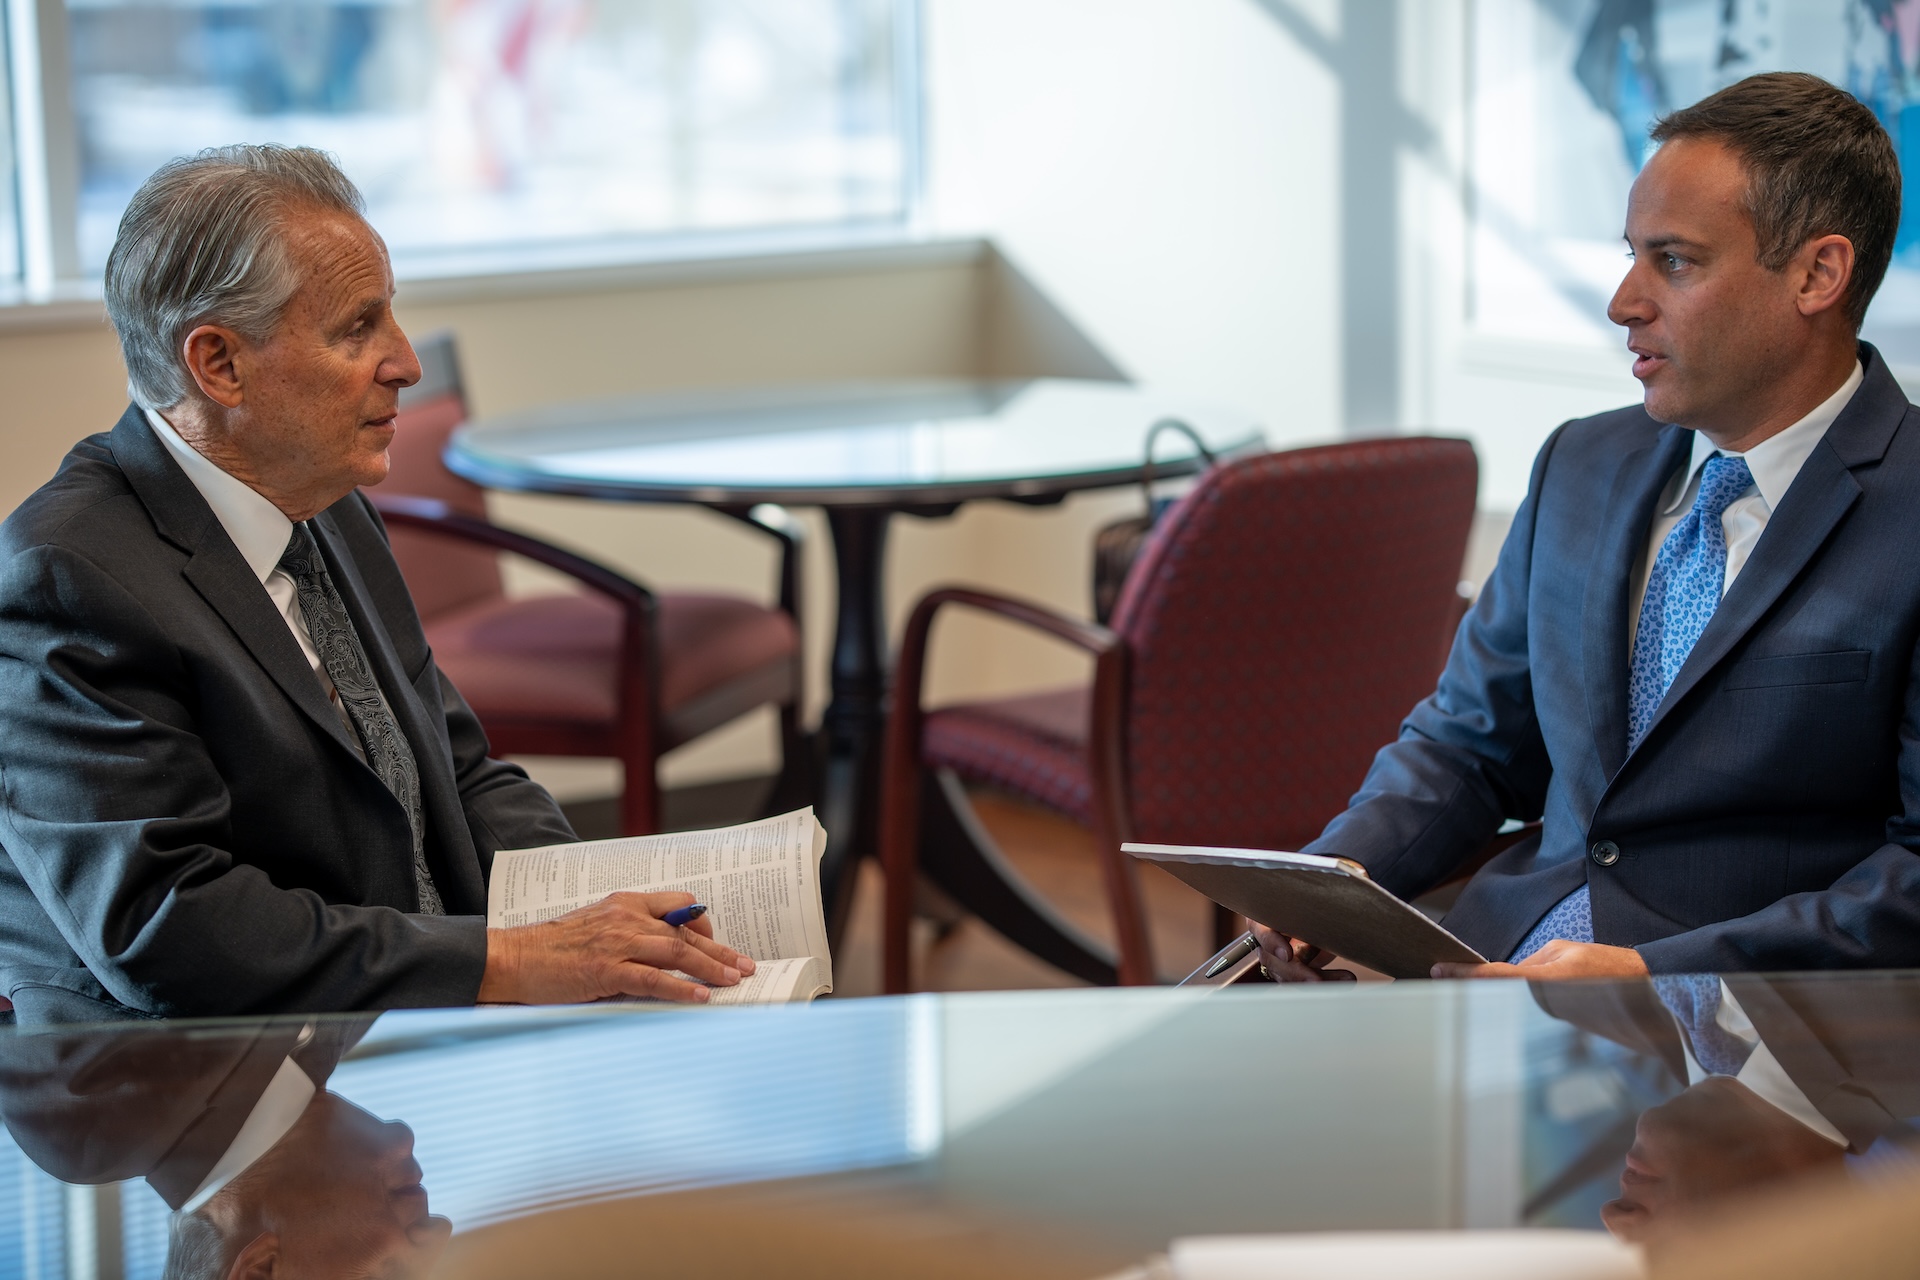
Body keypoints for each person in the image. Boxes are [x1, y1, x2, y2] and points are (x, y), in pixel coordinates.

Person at [0, 145, 753, 1019]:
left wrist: (599, 913)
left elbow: (462, 771)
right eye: (358, 329)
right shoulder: (68, 579)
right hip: (197, 1079)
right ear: (219, 365)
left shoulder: (327, 501)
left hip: (390, 1008)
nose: (405, 362)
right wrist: (511, 961)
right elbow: (172, 930)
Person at [1256, 71, 1920, 982]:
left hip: (1759, 1044)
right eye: (1630, 256)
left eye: (1674, 262)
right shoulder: (1579, 464)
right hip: (1490, 976)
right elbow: (1469, 743)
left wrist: (1654, 979)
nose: (1624, 302)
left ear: (1817, 274)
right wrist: (1334, 878)